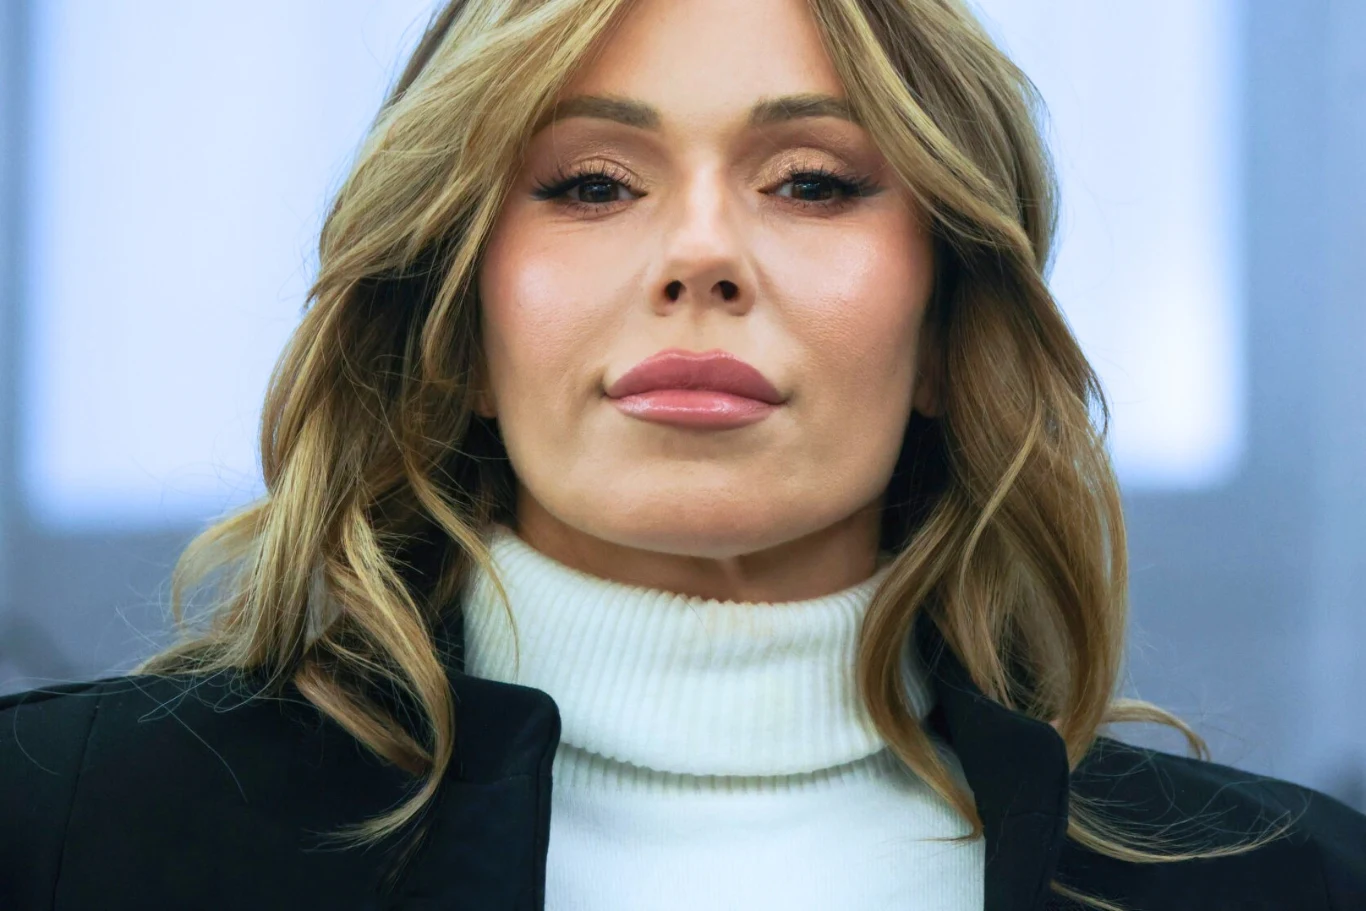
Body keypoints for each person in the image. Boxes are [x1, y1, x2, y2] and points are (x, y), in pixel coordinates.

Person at [2, 0, 1364, 908]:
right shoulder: (66, 829)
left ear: (949, 325)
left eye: (811, 182)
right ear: (456, 323)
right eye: (591, 184)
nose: (701, 254)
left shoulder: (1291, 880)